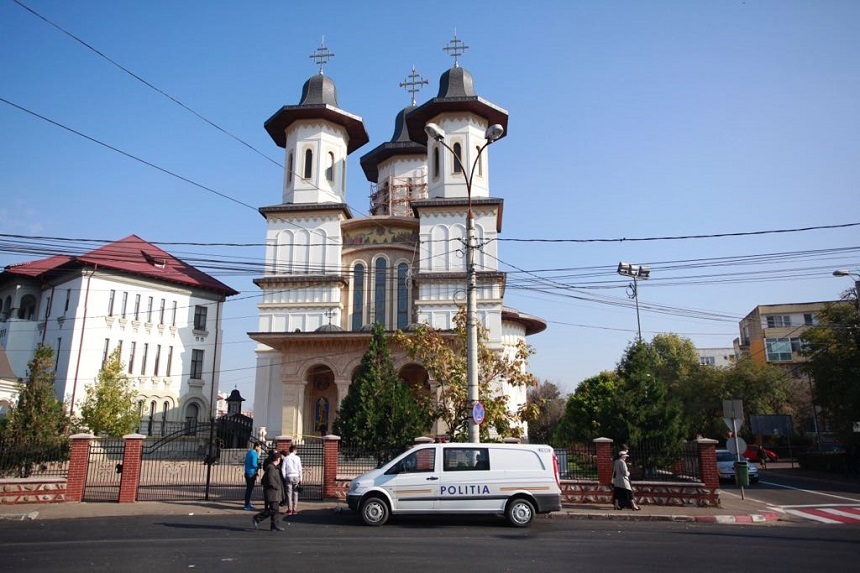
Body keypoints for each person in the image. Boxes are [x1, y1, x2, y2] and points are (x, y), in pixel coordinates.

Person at [252, 451, 285, 531]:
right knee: (273, 509)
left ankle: (274, 525)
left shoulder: (275, 468)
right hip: (272, 492)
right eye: (279, 459)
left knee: (276, 510)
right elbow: (271, 480)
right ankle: (257, 518)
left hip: (275, 492)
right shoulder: (271, 468)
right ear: (277, 459)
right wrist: (277, 486)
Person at [283, 444, 303, 515]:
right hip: (296, 476)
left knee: (289, 493)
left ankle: (289, 509)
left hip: (289, 476)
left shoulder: (286, 458)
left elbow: (283, 469)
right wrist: (300, 478)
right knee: (295, 493)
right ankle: (294, 509)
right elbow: (300, 469)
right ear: (294, 450)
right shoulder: (298, 458)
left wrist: (284, 477)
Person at [243, 442, 262, 510]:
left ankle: (247, 503)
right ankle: (247, 505)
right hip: (251, 473)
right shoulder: (254, 454)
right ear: (256, 447)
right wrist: (258, 466)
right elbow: (254, 464)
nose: (260, 449)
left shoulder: (249, 452)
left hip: (247, 472)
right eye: (259, 447)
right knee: (250, 489)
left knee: (248, 489)